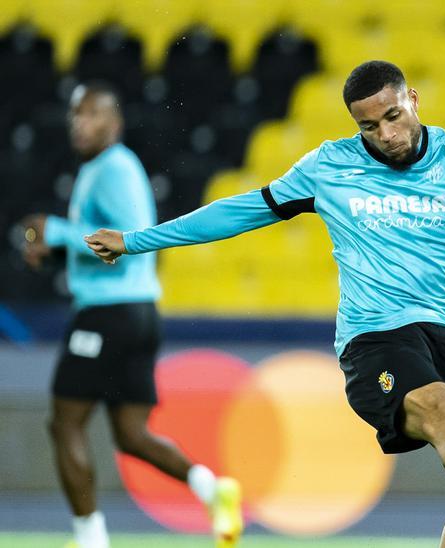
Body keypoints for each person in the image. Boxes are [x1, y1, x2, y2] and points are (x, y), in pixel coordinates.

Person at [84, 60, 445, 548]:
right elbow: (239, 210)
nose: (386, 134)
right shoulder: (329, 166)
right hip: (374, 339)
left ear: (413, 100)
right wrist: (137, 240)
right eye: (370, 126)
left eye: (394, 116)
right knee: (440, 408)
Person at [18, 82, 242, 548]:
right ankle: (211, 488)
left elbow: (129, 239)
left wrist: (54, 230)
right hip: (137, 312)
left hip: (107, 314)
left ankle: (90, 537)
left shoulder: (113, 168)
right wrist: (57, 252)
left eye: (93, 114)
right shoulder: (105, 168)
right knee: (132, 434)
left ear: (114, 123)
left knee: (65, 423)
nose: (81, 122)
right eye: (76, 114)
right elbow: (103, 248)